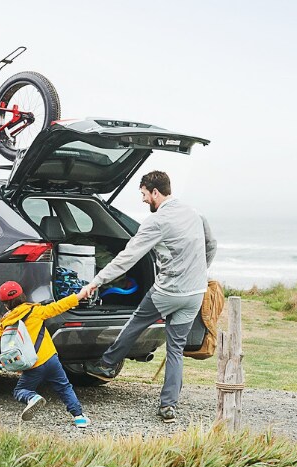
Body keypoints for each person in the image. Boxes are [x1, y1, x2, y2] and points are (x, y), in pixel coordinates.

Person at [82, 170, 215, 423]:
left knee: (136, 323)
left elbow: (128, 256)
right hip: (195, 292)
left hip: (168, 292)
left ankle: (106, 365)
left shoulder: (157, 221)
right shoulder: (194, 213)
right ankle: (168, 406)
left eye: (144, 194)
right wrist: (199, 273)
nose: (143, 199)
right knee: (175, 350)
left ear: (155, 192)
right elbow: (211, 245)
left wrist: (96, 281)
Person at [0, 280, 95, 428]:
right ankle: (79, 417)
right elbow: (59, 306)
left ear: (5, 304)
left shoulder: (7, 320)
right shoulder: (36, 311)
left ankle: (32, 397)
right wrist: (79, 296)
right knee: (64, 387)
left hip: (32, 364)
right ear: (22, 295)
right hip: (50, 359)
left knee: (20, 390)